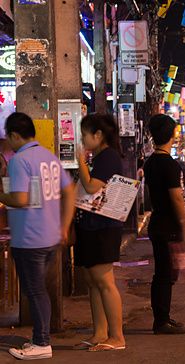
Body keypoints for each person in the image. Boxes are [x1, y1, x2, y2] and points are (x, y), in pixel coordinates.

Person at [1, 113, 75, 360]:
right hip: (50, 235)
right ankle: (40, 339)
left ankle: (41, 342)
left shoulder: (19, 160)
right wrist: (63, 226)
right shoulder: (49, 157)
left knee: (35, 291)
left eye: (8, 138)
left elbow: (21, 199)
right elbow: (69, 191)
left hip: (29, 237)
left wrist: (1, 196)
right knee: (39, 290)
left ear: (14, 135)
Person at [73, 114, 127, 352]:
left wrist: (81, 162)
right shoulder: (100, 156)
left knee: (104, 281)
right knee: (93, 281)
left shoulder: (109, 157)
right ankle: (100, 333)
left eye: (85, 134)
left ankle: (117, 337)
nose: (82, 139)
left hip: (103, 227)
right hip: (91, 225)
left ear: (98, 135)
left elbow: (92, 186)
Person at [142, 114, 185, 335]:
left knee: (162, 273)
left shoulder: (151, 162)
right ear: (172, 135)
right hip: (168, 225)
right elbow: (177, 198)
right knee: (166, 274)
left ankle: (161, 317)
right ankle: (161, 321)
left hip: (157, 222)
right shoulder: (170, 165)